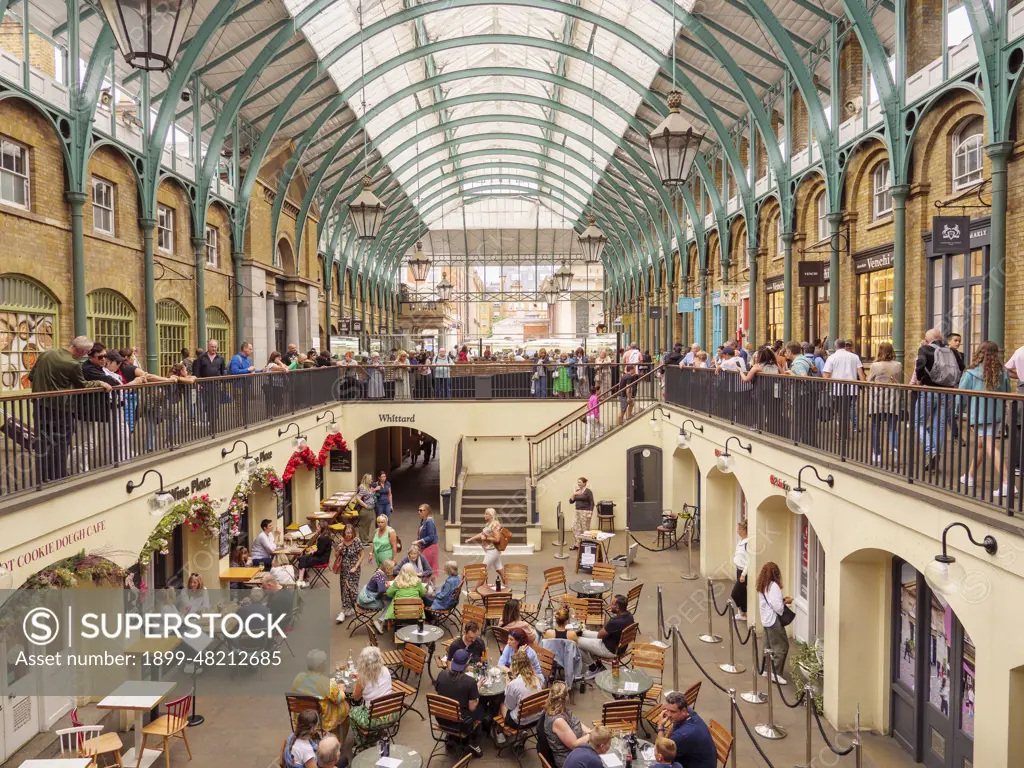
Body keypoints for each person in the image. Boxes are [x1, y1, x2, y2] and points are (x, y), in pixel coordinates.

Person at [29, 335, 111, 483]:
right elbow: (83, 385)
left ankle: (43, 477)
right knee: (61, 442)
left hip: (39, 405)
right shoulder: (73, 364)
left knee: (42, 441)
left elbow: (31, 376)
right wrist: (100, 382)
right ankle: (58, 476)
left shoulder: (47, 354)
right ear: (84, 351)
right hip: (60, 409)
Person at [957, 340, 1011, 495]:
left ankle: (1007, 482)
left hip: (979, 415)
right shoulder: (1002, 372)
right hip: (996, 414)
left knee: (990, 446)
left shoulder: (971, 373)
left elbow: (961, 394)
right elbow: (1006, 392)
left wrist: (957, 410)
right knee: (981, 444)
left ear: (979, 353)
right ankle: (970, 476)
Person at [914, 327, 964, 469]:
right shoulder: (952, 351)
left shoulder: (925, 349)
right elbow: (961, 367)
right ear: (941, 339)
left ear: (928, 339)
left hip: (929, 390)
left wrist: (919, 380)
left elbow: (920, 365)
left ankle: (932, 451)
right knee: (939, 427)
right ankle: (936, 460)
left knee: (919, 422)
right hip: (946, 392)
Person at [292, 649, 349, 741]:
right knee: (345, 707)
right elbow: (338, 699)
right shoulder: (327, 683)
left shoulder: (298, 678)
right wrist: (341, 689)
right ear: (320, 665)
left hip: (302, 717)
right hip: (322, 721)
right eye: (325, 662)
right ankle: (338, 741)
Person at [434, 649, 483, 757]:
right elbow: (472, 707)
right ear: (466, 664)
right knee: (481, 708)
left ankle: (451, 737)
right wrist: (477, 689)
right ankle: (473, 741)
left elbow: (440, 691)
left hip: (441, 718)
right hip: (460, 724)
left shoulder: (442, 674)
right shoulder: (470, 682)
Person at [348, 647, 395, 746]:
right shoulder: (386, 670)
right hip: (390, 713)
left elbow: (355, 698)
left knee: (351, 712)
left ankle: (360, 743)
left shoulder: (363, 679)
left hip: (373, 719)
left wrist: (359, 679)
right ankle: (380, 734)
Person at [656, 691, 716, 768]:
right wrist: (667, 737)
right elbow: (674, 724)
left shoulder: (683, 735)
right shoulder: (688, 711)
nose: (669, 715)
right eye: (667, 710)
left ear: (683, 711)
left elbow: (660, 754)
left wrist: (660, 726)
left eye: (672, 712)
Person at [866, 341, 903, 463]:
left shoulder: (875, 365)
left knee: (876, 427)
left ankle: (876, 453)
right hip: (894, 398)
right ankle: (895, 449)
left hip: (877, 398)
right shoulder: (898, 365)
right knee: (892, 427)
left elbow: (869, 380)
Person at [578, 594, 633, 673]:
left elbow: (599, 635)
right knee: (583, 633)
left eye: (612, 604)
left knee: (575, 641)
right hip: (618, 647)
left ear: (617, 607)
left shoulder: (615, 621)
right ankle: (598, 664)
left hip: (609, 649)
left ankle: (592, 668)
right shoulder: (629, 616)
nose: (610, 605)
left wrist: (606, 625)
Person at [757, 561, 792, 684]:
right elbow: (778, 607)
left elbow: (770, 602)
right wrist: (785, 602)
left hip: (765, 619)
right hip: (773, 620)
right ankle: (776, 673)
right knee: (781, 647)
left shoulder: (762, 585)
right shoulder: (774, 587)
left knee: (768, 646)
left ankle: (766, 670)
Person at [542, 681, 591, 768]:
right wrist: (591, 735)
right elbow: (574, 745)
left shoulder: (560, 708)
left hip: (578, 750)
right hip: (568, 759)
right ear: (566, 697)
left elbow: (576, 721)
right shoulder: (558, 721)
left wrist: (589, 731)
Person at [500, 649, 545, 733]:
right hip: (536, 718)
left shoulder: (513, 684)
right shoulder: (537, 679)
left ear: (514, 666)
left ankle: (504, 732)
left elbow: (510, 706)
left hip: (520, 722)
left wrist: (507, 687)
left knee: (501, 704)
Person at [465, 507, 506, 584]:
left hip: (492, 551)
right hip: (492, 550)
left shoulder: (495, 524)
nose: (484, 515)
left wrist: (486, 538)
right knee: (499, 570)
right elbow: (482, 534)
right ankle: (507, 586)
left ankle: (476, 590)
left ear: (491, 515)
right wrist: (471, 539)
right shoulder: (489, 524)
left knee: (483, 570)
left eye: (486, 514)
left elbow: (497, 539)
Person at [335, 524, 364, 623]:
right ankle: (347, 608)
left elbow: (361, 555)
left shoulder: (357, 541)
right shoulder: (341, 541)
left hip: (354, 569)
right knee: (344, 588)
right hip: (344, 568)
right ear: (344, 533)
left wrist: (356, 567)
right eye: (347, 533)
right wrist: (339, 549)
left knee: (351, 588)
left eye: (351, 533)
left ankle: (347, 609)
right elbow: (336, 556)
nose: (349, 535)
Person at [357, 559, 395, 632]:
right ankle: (380, 621)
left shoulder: (378, 572)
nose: (393, 570)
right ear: (387, 569)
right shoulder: (379, 577)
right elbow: (381, 590)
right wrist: (387, 587)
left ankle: (384, 620)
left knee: (389, 601)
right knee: (391, 603)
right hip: (368, 602)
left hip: (368, 596)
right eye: (392, 569)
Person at [295, 520, 332, 587]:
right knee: (302, 558)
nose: (316, 528)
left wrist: (313, 552)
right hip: (323, 557)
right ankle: (304, 579)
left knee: (302, 559)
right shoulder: (325, 536)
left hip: (322, 559)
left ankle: (302, 579)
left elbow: (320, 552)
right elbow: (321, 550)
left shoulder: (322, 538)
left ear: (321, 528)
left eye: (317, 526)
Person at [414, 503, 440, 578]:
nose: (419, 512)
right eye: (418, 510)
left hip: (430, 547)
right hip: (425, 547)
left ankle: (430, 587)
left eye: (421, 510)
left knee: (427, 568)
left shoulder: (429, 521)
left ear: (427, 511)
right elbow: (420, 534)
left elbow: (431, 536)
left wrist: (419, 541)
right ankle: (429, 586)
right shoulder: (423, 520)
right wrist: (417, 542)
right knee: (426, 567)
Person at [569, 477, 595, 549]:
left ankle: (585, 545)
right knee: (574, 527)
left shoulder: (588, 491)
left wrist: (590, 513)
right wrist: (574, 494)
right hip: (577, 511)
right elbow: (571, 501)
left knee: (585, 529)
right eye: (578, 482)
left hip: (585, 512)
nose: (578, 484)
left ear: (584, 483)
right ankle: (577, 543)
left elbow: (592, 502)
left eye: (580, 482)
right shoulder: (577, 491)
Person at [729, 521, 748, 622]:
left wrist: (743, 575)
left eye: (739, 529)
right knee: (742, 592)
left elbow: (749, 561)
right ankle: (742, 613)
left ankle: (743, 611)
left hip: (743, 572)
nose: (737, 530)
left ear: (745, 530)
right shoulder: (742, 540)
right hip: (738, 569)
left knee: (735, 593)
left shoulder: (747, 543)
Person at [354, 474, 377, 542]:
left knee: (370, 524)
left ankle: (368, 539)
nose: (371, 480)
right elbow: (358, 498)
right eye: (370, 479)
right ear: (367, 480)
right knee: (364, 525)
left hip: (371, 508)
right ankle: (363, 540)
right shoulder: (363, 487)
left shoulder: (368, 487)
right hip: (366, 509)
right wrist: (365, 505)